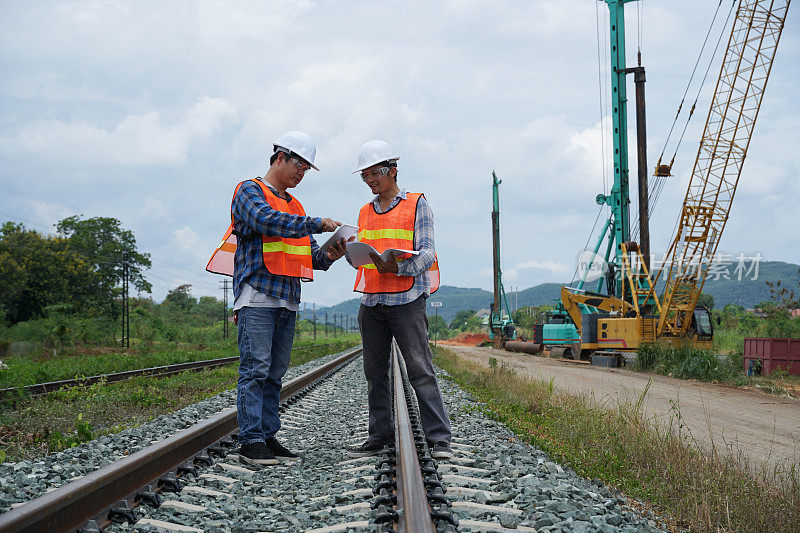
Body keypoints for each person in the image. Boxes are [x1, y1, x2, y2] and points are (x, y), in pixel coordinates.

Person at [207, 131, 347, 466]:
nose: (302, 173)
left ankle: (267, 437)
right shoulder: (249, 191)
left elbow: (313, 258)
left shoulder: (295, 205)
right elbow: (265, 221)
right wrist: (316, 223)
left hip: (287, 300)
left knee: (274, 373)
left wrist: (335, 252)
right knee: (256, 369)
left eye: (307, 170)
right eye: (300, 165)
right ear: (280, 158)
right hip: (257, 296)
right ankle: (251, 440)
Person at [345, 140, 452, 459]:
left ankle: (439, 438)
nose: (369, 181)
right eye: (364, 176)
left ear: (392, 171)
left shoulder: (417, 204)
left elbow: (428, 250)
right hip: (372, 302)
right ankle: (378, 436)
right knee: (374, 373)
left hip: (407, 301)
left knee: (419, 369)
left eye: (373, 173)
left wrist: (401, 267)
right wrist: (354, 255)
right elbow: (364, 255)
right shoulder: (364, 211)